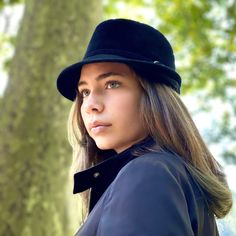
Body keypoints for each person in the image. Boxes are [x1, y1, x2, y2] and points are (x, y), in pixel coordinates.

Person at [57, 19, 232, 236]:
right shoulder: (167, 172)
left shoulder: (148, 173)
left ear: (154, 96)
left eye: (112, 84)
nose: (91, 105)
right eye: (84, 92)